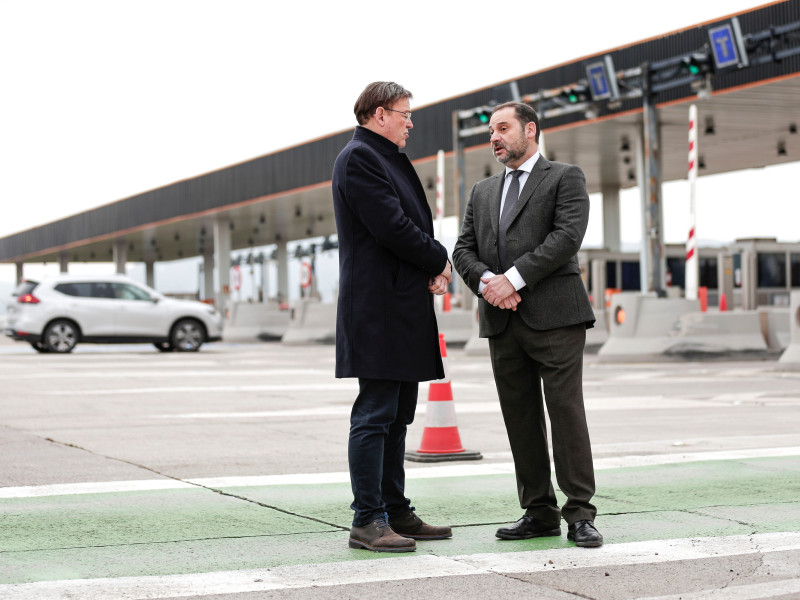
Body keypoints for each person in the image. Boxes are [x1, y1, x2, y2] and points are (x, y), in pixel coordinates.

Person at [452, 101, 602, 548]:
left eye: (503, 128)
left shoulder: (564, 177)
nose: (494, 137)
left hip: (556, 317)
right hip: (502, 321)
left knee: (565, 413)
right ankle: (538, 511)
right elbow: (462, 250)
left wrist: (511, 279)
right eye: (490, 132)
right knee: (520, 417)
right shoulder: (481, 191)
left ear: (529, 130)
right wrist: (486, 283)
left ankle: (580, 513)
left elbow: (566, 238)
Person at [331, 81, 454, 553]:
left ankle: (395, 510)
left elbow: (404, 228)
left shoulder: (382, 157)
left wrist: (429, 266)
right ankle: (367, 519)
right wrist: (438, 259)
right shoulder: (360, 157)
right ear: (379, 113)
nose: (410, 121)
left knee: (398, 414)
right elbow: (392, 226)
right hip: (378, 308)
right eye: (404, 113)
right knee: (376, 412)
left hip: (399, 304)